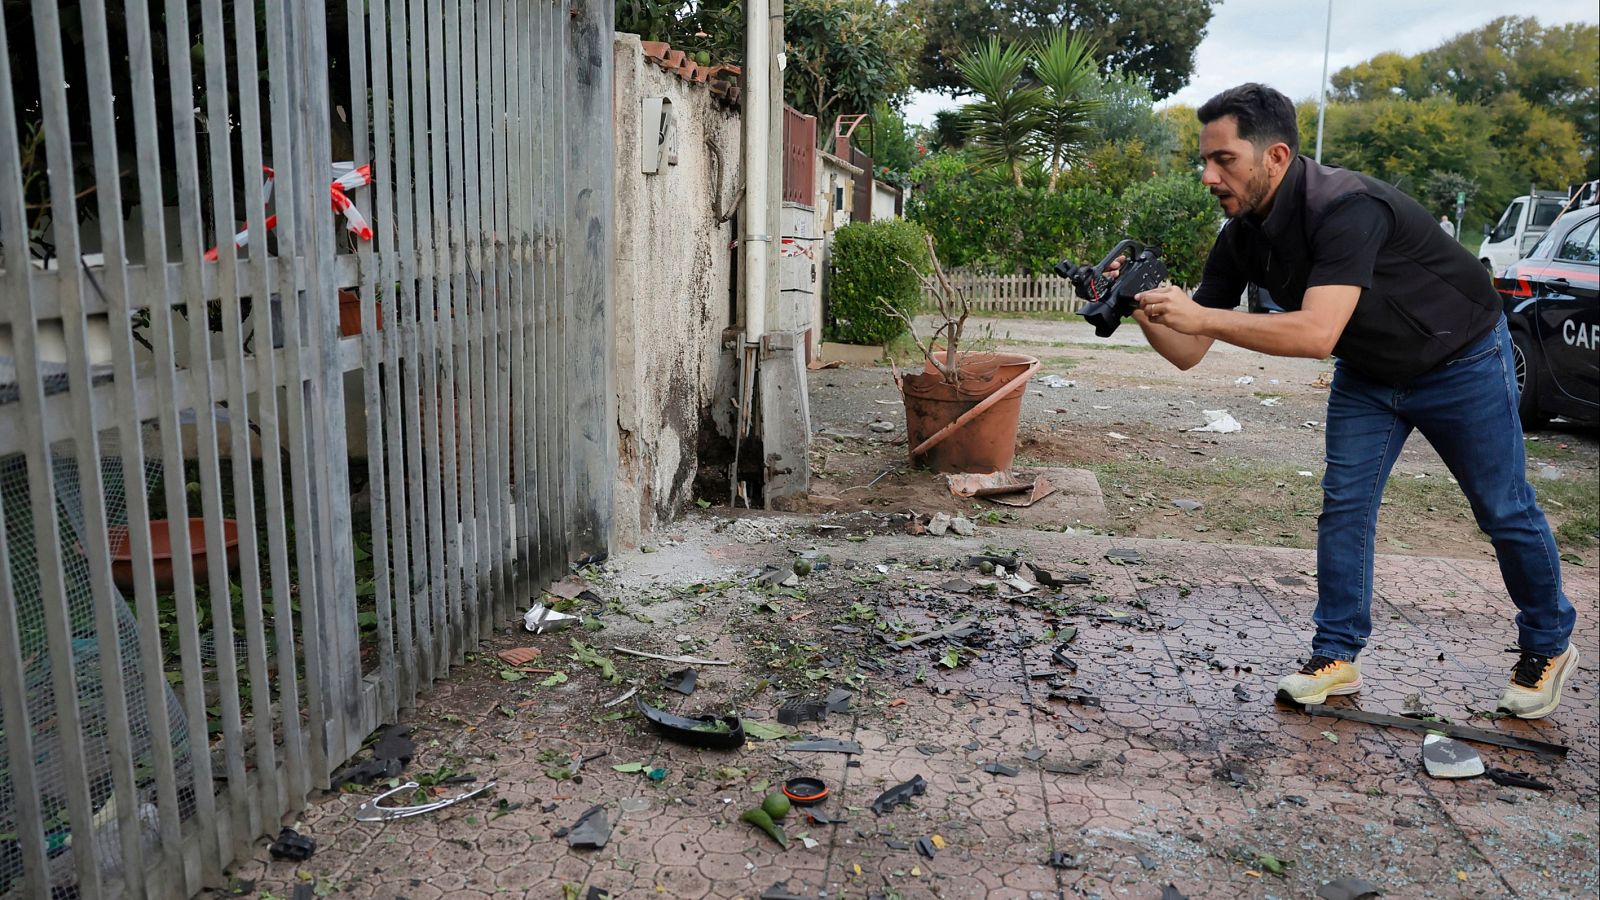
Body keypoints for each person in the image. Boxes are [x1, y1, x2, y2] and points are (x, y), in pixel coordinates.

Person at [1126, 83, 1577, 719]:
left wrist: (1199, 317)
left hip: (1462, 358)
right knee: (1345, 507)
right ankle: (1336, 654)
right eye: (1204, 160)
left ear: (1275, 156)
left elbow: (1313, 334)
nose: (1207, 175)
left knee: (1502, 506)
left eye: (1223, 159)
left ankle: (1549, 641)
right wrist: (1135, 303)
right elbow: (1187, 350)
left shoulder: (1347, 207)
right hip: (1370, 371)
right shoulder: (1242, 235)